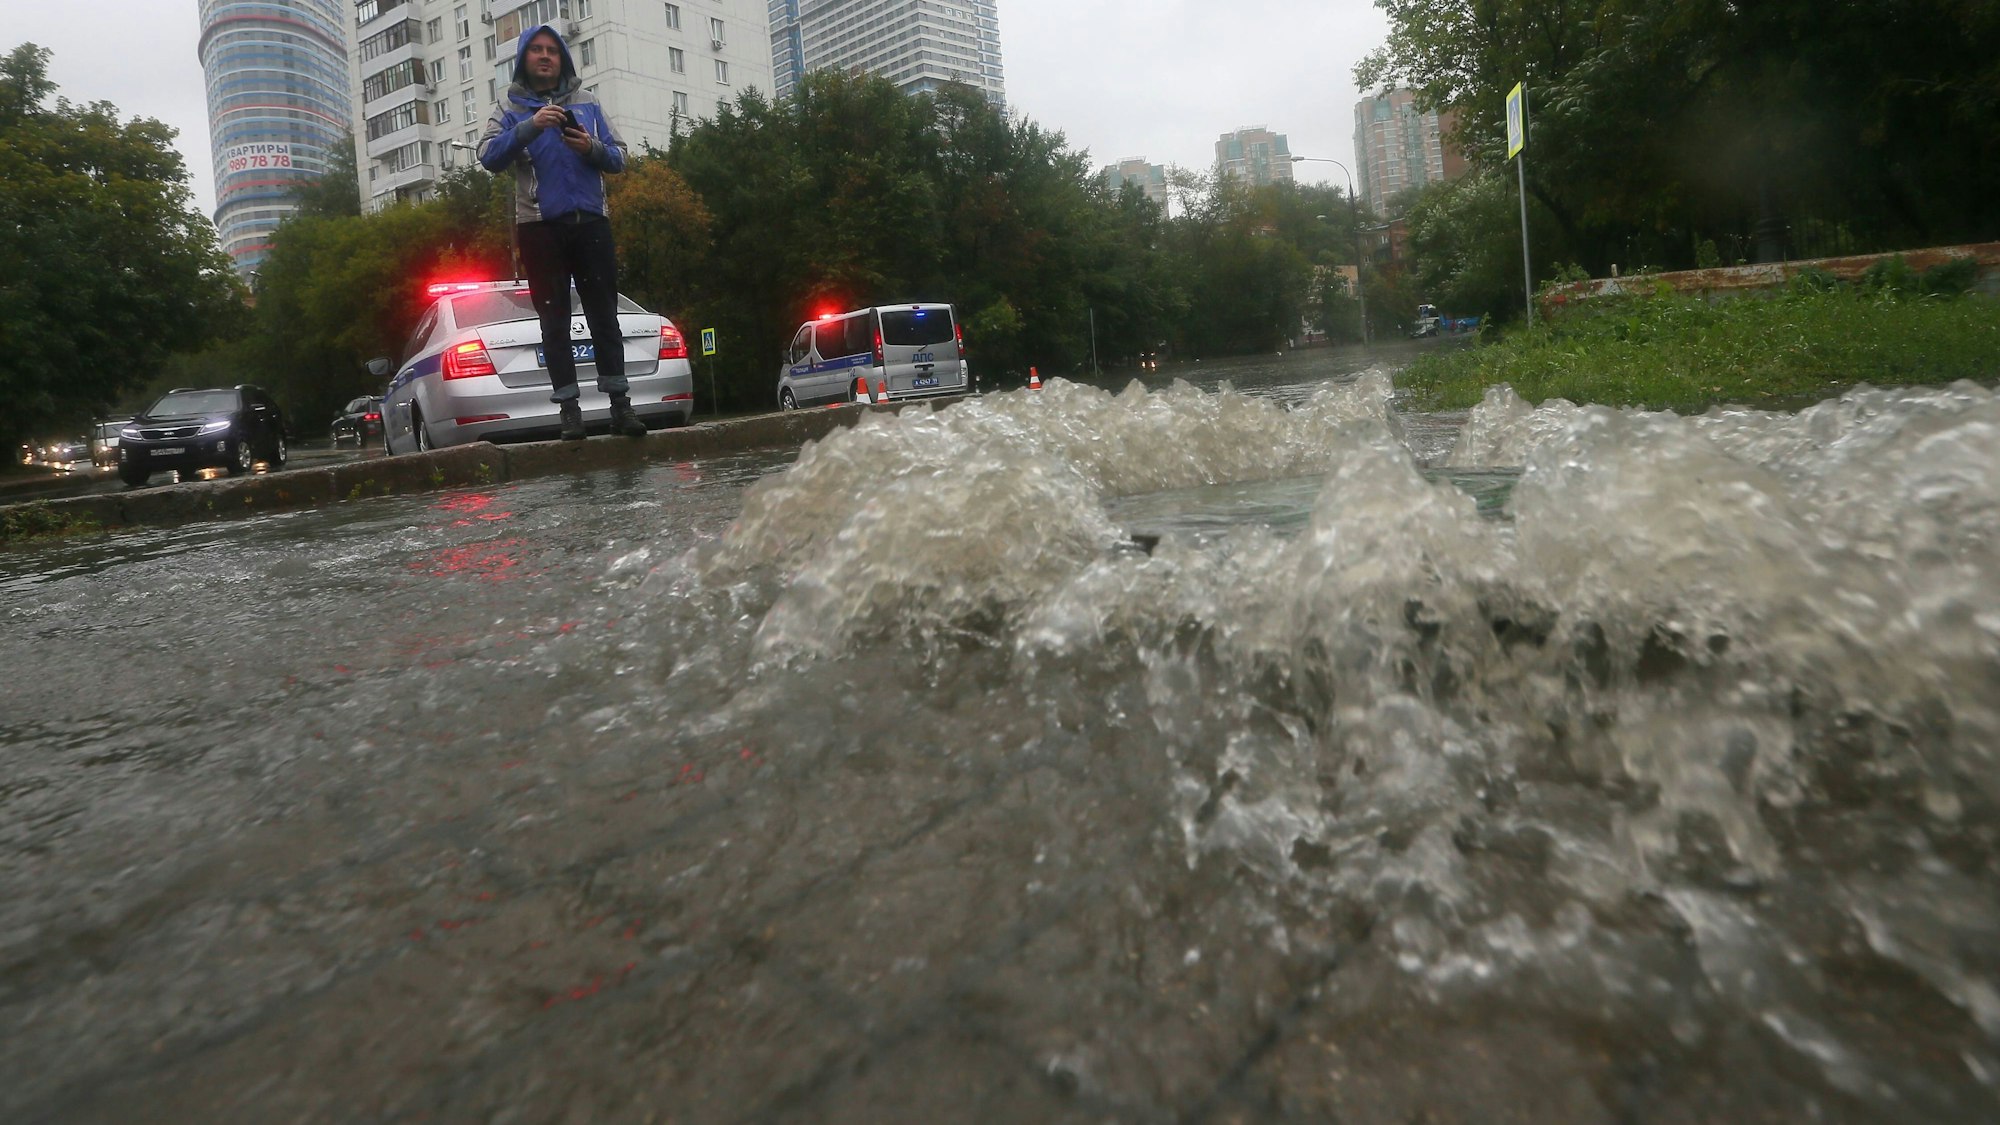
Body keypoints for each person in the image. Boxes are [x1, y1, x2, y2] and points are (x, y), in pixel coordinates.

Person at [477, 24, 644, 440]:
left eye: (553, 50)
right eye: (536, 50)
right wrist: (530, 125)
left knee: (604, 317)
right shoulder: (510, 108)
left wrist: (591, 148)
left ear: (563, 59)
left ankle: (620, 408)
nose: (546, 56)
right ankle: (570, 412)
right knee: (554, 322)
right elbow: (488, 157)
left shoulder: (587, 103)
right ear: (523, 59)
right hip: (539, 228)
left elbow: (620, 158)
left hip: (591, 223)